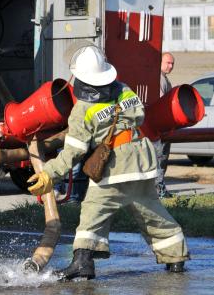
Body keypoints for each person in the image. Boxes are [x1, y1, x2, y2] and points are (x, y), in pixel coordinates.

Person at [27, 46, 189, 281]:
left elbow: (73, 152)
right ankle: (176, 258)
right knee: (151, 210)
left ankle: (83, 263)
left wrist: (48, 175)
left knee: (94, 209)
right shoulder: (124, 90)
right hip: (142, 160)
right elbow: (140, 116)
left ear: (79, 78)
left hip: (116, 166)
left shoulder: (82, 110)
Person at [156, 52, 175, 198]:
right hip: (160, 127)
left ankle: (160, 186)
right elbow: (162, 104)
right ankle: (159, 189)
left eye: (172, 63)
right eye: (168, 63)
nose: (170, 66)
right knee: (160, 157)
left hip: (162, 126)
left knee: (162, 157)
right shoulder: (160, 79)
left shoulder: (164, 79)